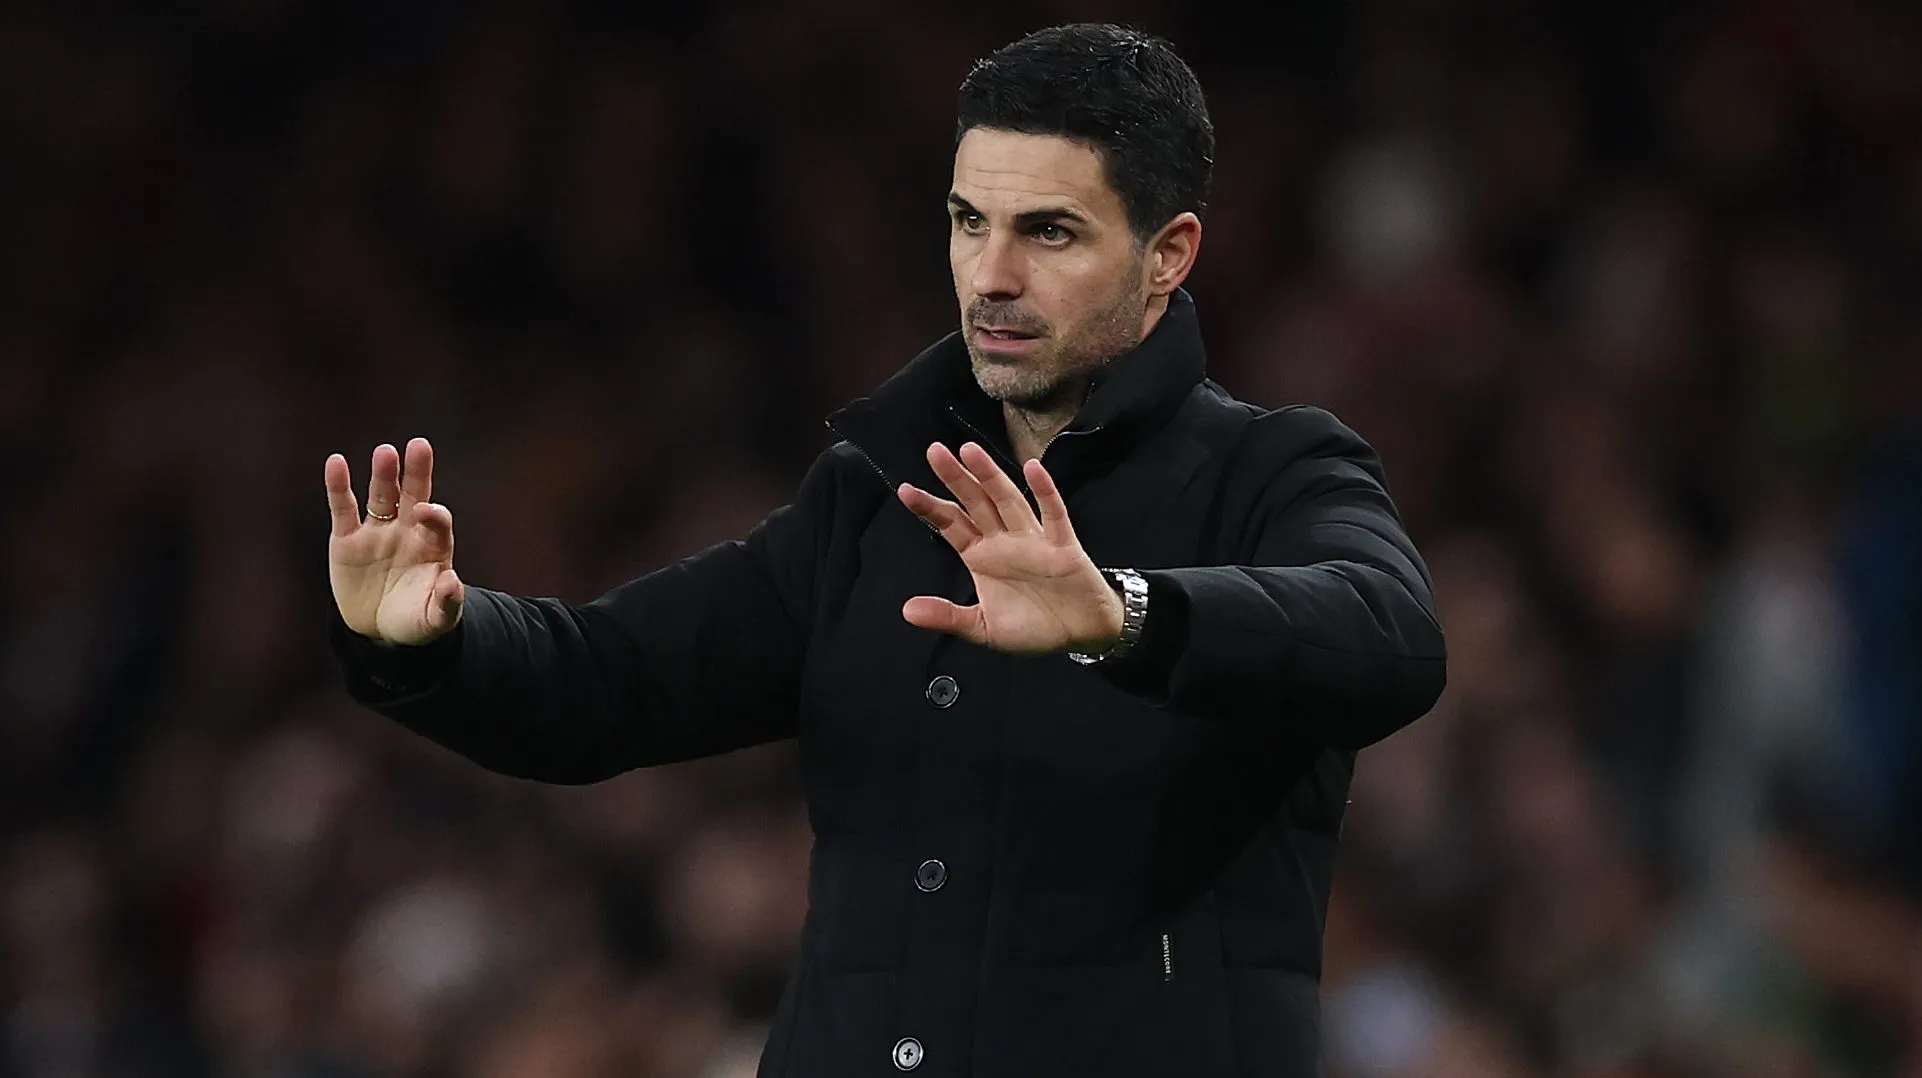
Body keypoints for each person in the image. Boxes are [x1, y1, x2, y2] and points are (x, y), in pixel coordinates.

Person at [324, 23, 1445, 1078]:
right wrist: (436, 638)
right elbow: (609, 679)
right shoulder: (872, 499)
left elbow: (1387, 634)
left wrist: (1124, 614)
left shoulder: (1273, 472)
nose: (990, 275)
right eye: (968, 222)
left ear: (1166, 255)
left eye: (1046, 230)